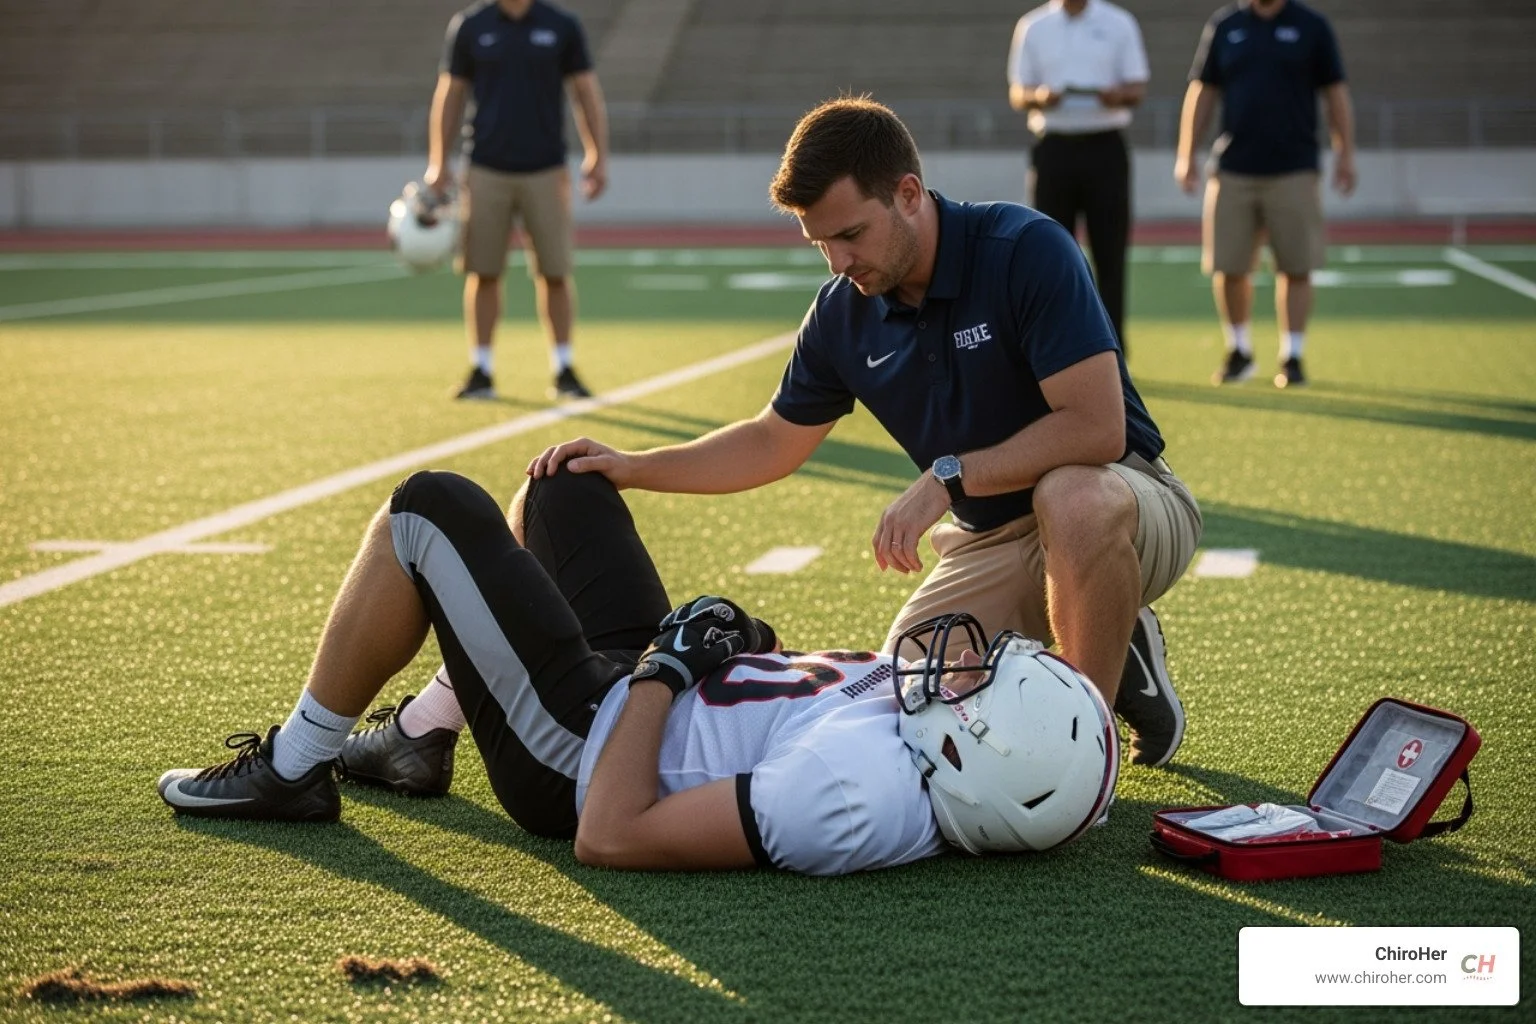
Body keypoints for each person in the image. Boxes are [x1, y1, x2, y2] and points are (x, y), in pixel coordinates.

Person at [528, 97, 1203, 767]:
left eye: (850, 235)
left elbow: (1096, 428)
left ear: (908, 194)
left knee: (1073, 500)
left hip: (1127, 495)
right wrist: (630, 466)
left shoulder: (1024, 248)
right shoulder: (841, 314)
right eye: (820, 243)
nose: (836, 262)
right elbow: (771, 441)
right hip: (995, 534)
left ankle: (1086, 751)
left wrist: (949, 475)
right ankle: (1121, 641)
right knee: (907, 686)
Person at [156, 469, 1120, 875]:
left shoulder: (852, 798)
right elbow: (788, 713)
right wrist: (746, 651)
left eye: (975, 686)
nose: (959, 664)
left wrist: (668, 665)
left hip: (587, 747)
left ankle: (292, 767)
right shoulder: (940, 754)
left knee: (428, 510)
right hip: (652, 694)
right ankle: (420, 737)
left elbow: (613, 832)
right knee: (563, 485)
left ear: (974, 756)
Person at [427, 0, 609, 402]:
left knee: (555, 271)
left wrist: (597, 153)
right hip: (486, 166)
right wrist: (438, 162)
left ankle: (563, 367)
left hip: (545, 166)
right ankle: (482, 367)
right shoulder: (471, 25)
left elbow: (585, 91)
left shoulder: (560, 24)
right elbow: (450, 94)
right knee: (483, 271)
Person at [1174, 0, 1356, 389]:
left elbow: (1335, 92)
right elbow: (1202, 90)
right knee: (1228, 266)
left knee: (1296, 265)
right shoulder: (1226, 25)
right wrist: (1186, 152)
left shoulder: (1311, 26)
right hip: (1233, 167)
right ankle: (1238, 350)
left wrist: (1346, 154)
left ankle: (1292, 354)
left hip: (1293, 167)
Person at [1007, 0, 1150, 355]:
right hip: (1054, 146)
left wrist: (1117, 95)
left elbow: (1138, 87)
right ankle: (1057, 344)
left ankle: (1113, 346)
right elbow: (1017, 92)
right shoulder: (1034, 25)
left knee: (1110, 252)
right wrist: (1039, 97)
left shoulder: (1118, 22)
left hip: (1105, 147)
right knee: (1050, 253)